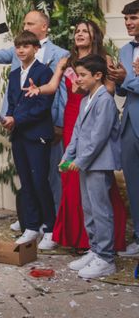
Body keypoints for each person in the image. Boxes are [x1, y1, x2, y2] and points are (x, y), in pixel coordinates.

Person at [23, 20, 127, 251]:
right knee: (71, 176)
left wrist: (85, 87)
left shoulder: (104, 60)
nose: (79, 34)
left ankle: (104, 243)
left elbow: (109, 90)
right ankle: (76, 236)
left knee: (95, 171)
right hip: (73, 116)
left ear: (94, 36)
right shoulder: (66, 61)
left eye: (85, 31)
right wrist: (37, 89)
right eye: (77, 31)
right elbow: (52, 86)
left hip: (95, 111)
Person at [0, 10, 69, 230]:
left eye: (30, 23)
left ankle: (53, 223)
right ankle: (31, 219)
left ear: (44, 27)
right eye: (24, 22)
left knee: (49, 176)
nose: (25, 26)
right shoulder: (17, 50)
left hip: (45, 122)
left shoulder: (60, 53)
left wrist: (58, 124)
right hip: (16, 121)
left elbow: (60, 91)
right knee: (27, 175)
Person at [60, 55, 121, 279]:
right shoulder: (86, 100)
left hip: (98, 163)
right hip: (83, 163)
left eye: (83, 75)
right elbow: (77, 131)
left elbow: (99, 137)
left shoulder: (104, 99)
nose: (78, 79)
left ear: (98, 75)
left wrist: (80, 161)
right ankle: (95, 249)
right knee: (89, 209)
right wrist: (68, 156)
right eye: (77, 75)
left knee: (101, 210)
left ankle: (106, 258)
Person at [2, 31, 57, 250]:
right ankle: (32, 226)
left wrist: (17, 119)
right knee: (26, 182)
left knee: (40, 182)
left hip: (38, 134)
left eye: (26, 46)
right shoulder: (14, 74)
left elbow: (42, 106)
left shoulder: (44, 72)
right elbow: (13, 102)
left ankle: (51, 229)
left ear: (36, 49)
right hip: (19, 136)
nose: (21, 50)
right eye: (18, 46)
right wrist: (8, 119)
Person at [113, 0, 139, 257]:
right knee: (133, 185)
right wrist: (117, 79)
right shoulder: (124, 50)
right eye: (127, 19)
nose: (129, 23)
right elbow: (124, 89)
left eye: (134, 17)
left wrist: (127, 80)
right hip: (129, 123)